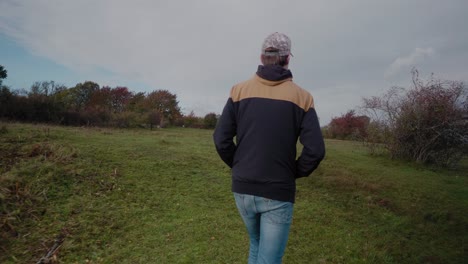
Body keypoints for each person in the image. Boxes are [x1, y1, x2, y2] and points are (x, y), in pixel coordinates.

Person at [213, 32, 325, 264]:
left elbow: (221, 139)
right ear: (287, 59)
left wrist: (240, 165)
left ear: (262, 57)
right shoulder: (303, 97)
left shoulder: (238, 91)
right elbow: (315, 150)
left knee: (256, 245)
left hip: (242, 189)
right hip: (278, 191)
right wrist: (292, 171)